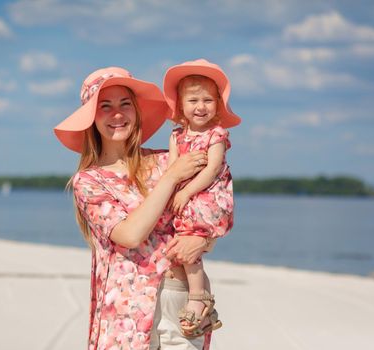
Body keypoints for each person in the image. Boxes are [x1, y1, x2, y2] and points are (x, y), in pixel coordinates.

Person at [53, 66, 211, 350]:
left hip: (181, 297)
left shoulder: (167, 159)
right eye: (105, 106)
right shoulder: (89, 181)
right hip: (126, 308)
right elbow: (130, 234)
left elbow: (211, 205)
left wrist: (202, 238)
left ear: (136, 111)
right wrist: (173, 176)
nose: (117, 114)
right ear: (92, 118)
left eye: (125, 104)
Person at [162, 59, 241, 338]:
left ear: (218, 105)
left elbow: (212, 170)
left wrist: (185, 191)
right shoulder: (176, 136)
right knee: (184, 254)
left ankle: (196, 296)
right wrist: (171, 191)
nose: (200, 106)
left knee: (189, 246)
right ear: (181, 105)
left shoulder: (215, 135)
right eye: (193, 99)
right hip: (185, 198)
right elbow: (172, 168)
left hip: (207, 198)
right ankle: (206, 301)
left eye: (208, 100)